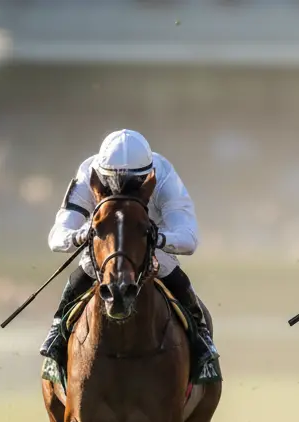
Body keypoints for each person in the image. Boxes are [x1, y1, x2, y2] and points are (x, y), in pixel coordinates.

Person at [43, 129, 221, 383]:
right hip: (104, 246)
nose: (122, 189)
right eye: (114, 183)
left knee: (177, 279)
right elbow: (57, 235)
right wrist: (82, 235)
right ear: (102, 175)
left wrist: (156, 239)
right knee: (78, 278)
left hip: (148, 242)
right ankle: (56, 340)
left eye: (133, 183)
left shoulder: (165, 175)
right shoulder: (87, 173)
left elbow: (189, 238)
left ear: (148, 175)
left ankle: (202, 343)